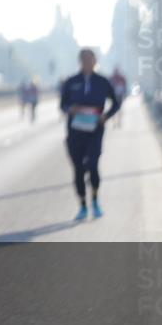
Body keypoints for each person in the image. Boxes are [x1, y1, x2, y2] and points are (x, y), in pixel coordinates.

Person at [59, 49, 121, 221]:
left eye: (90, 59)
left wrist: (106, 116)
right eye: (84, 59)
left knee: (92, 165)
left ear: (95, 61)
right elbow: (62, 104)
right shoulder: (71, 82)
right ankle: (82, 206)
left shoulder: (102, 81)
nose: (87, 62)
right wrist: (70, 109)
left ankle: (95, 200)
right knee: (78, 169)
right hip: (75, 131)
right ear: (80, 61)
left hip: (95, 130)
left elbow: (116, 102)